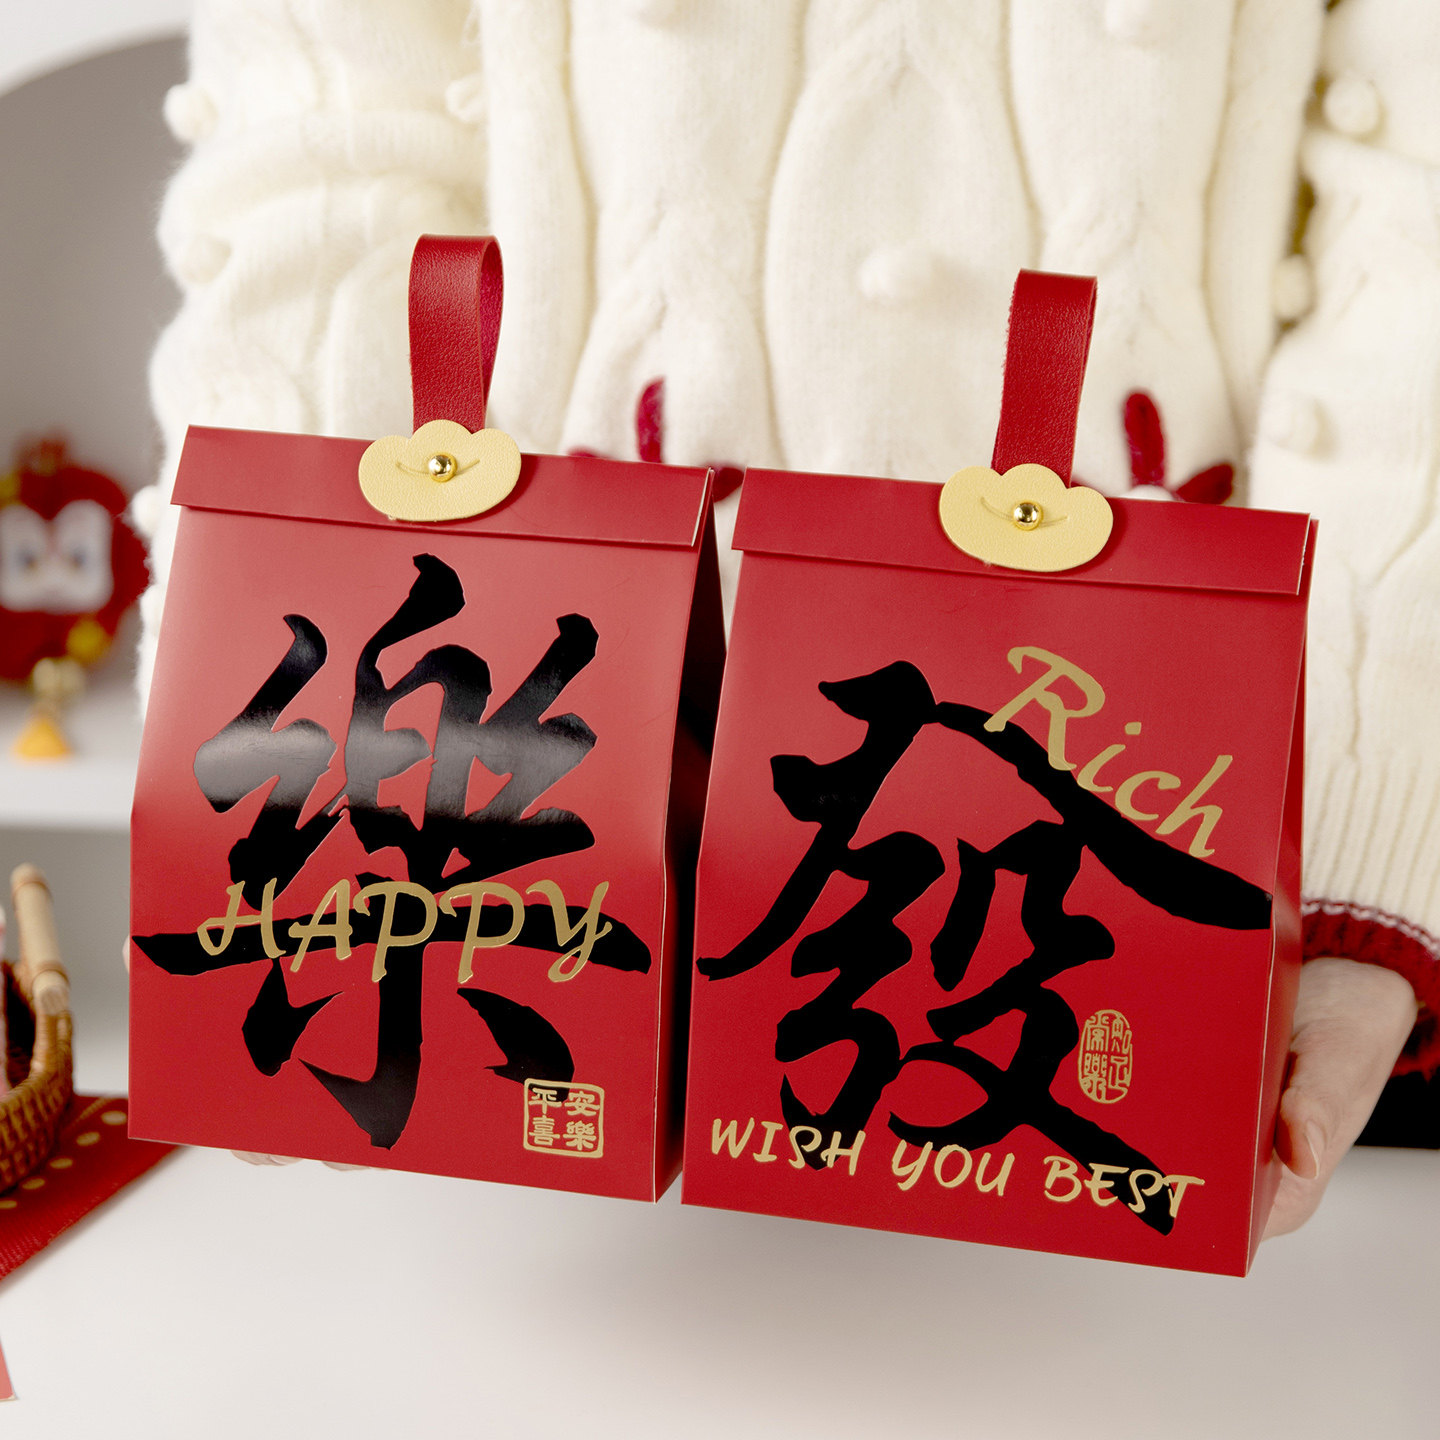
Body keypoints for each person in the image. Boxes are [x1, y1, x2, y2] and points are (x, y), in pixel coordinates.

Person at [133, 0, 1436, 1235]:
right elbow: (329, 127)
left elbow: (1413, 193)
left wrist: (1344, 837)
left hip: (1158, 860)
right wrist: (285, 767)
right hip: (523, 863)